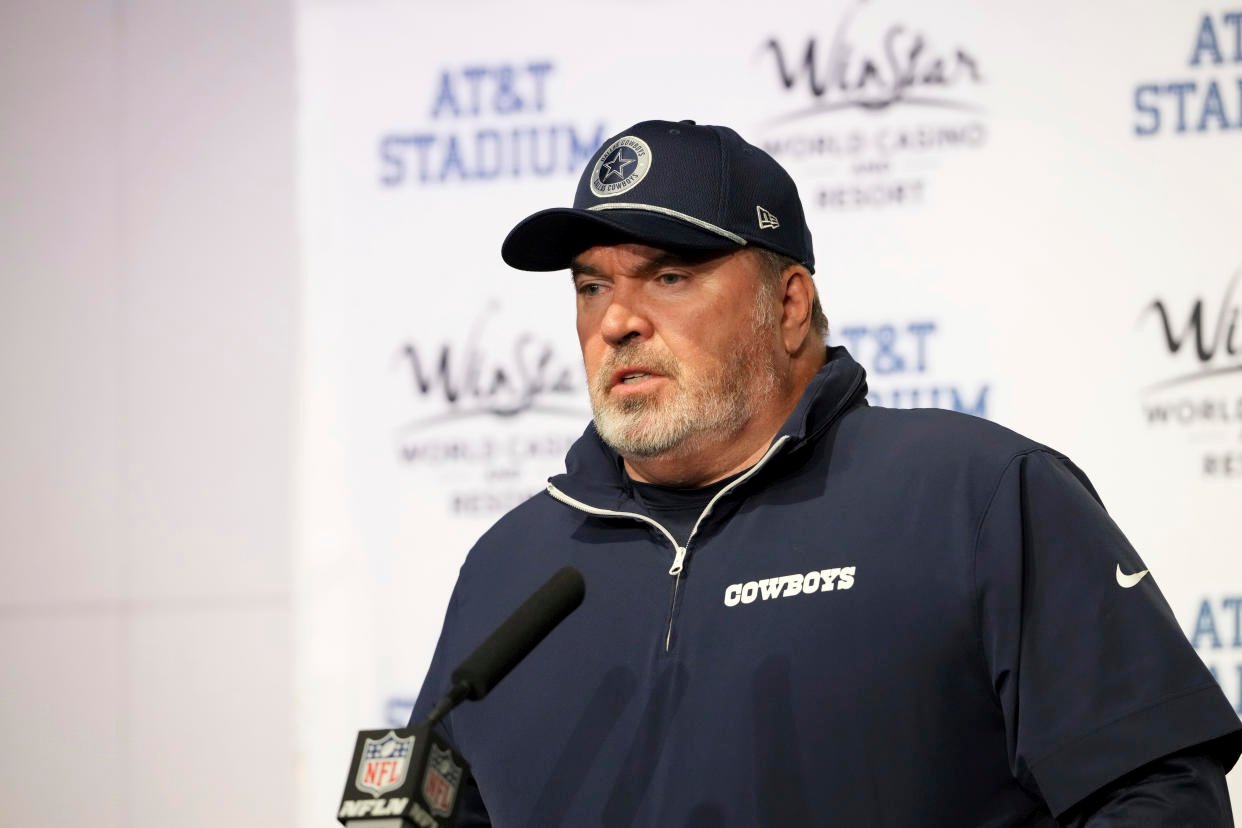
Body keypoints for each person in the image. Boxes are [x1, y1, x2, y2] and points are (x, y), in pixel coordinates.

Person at [410, 119, 1242, 826]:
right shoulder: (508, 570)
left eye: (669, 276)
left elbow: (1158, 797)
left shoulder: (976, 495)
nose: (618, 321)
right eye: (592, 287)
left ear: (789, 305)